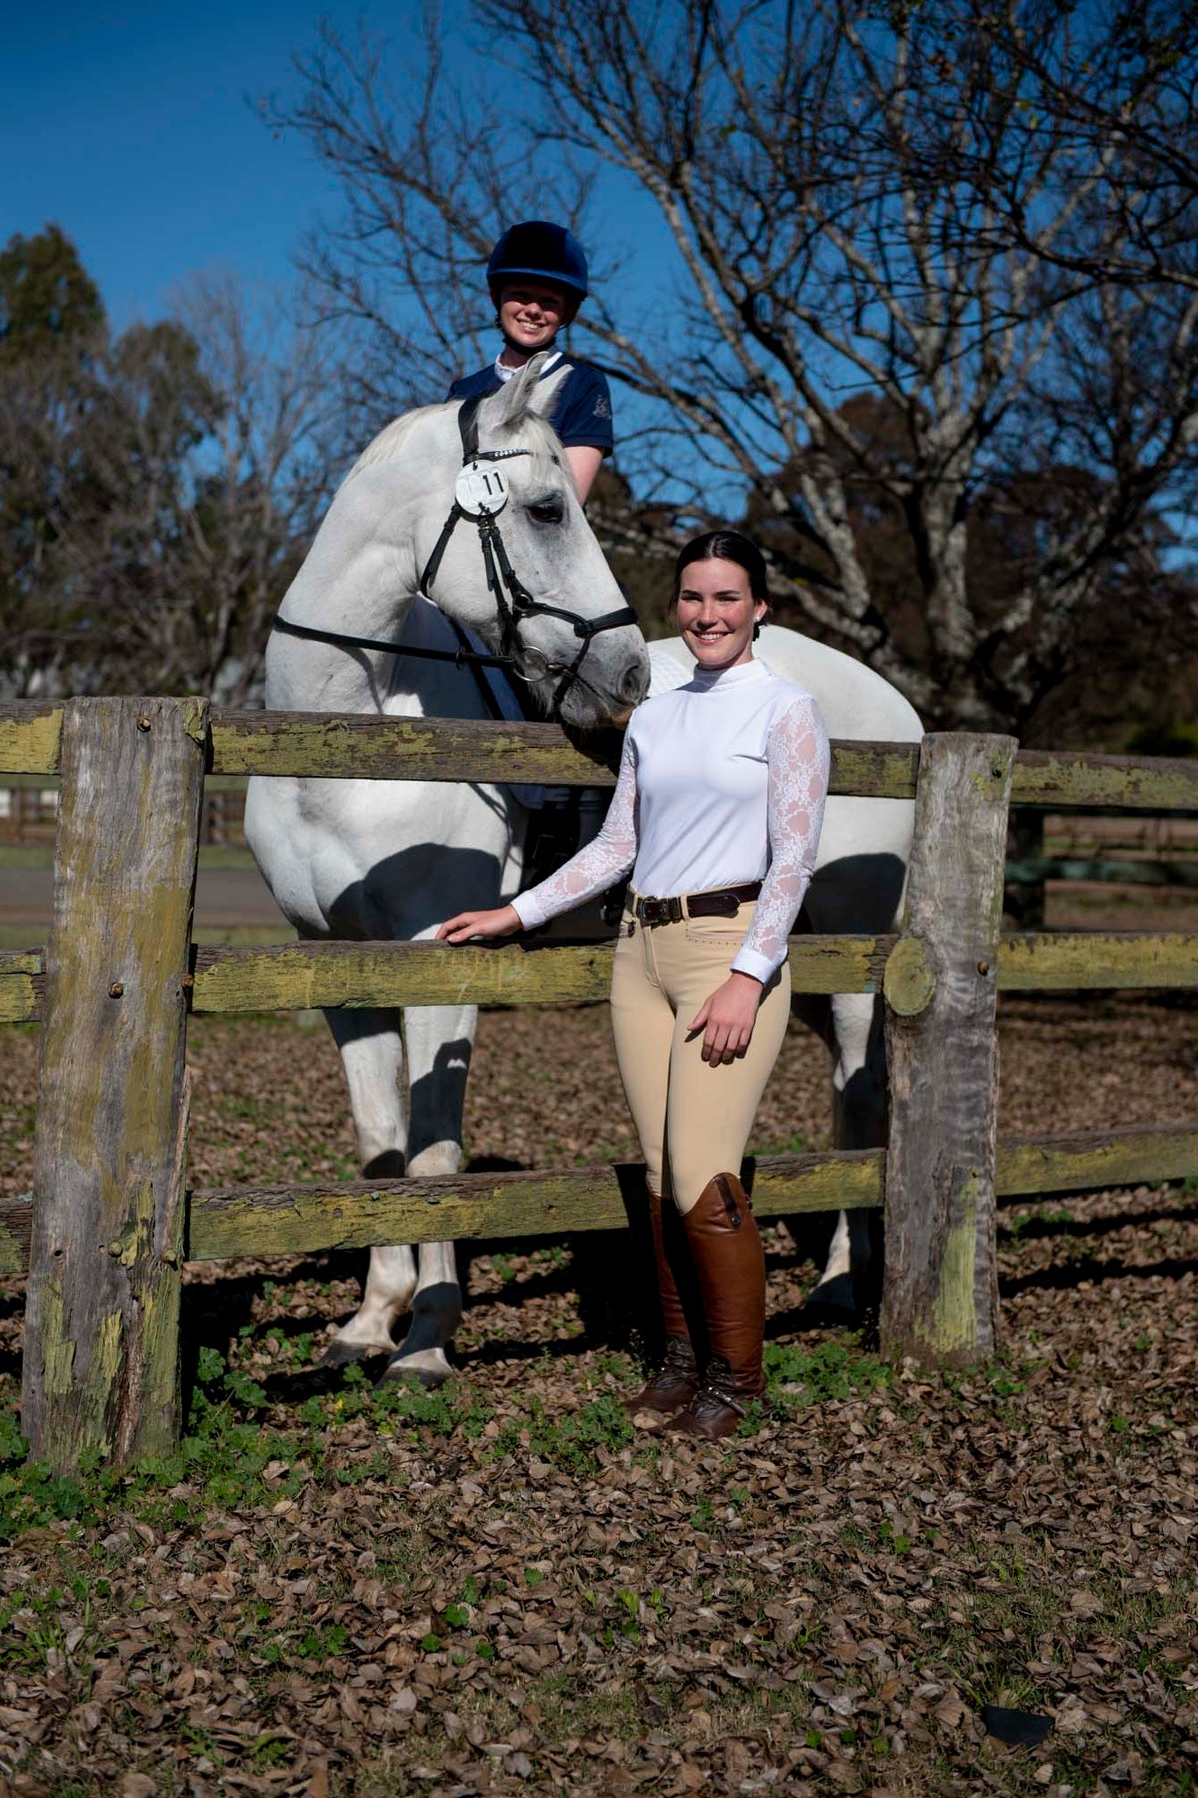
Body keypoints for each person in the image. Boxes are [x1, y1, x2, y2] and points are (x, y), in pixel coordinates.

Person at [437, 529, 831, 1440]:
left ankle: (737, 1381)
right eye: (693, 597)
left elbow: (794, 859)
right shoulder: (654, 713)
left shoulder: (787, 710)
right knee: (658, 1170)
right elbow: (618, 844)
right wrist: (518, 912)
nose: (708, 615)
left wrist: (748, 976)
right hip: (639, 952)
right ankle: (681, 1361)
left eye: (727, 598)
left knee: (703, 1170)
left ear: (760, 608)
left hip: (727, 951)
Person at [448, 221, 613, 503]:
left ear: (567, 311)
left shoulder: (583, 384)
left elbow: (568, 498)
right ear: (496, 297)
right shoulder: (463, 391)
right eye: (520, 296)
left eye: (549, 301)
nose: (534, 310)